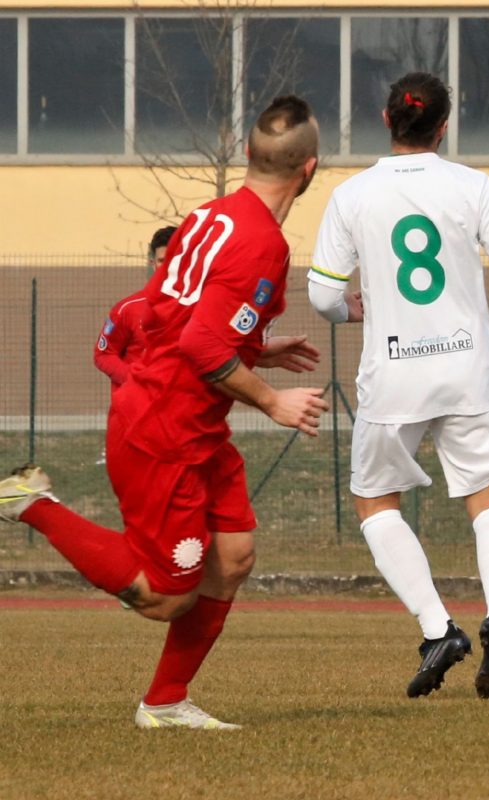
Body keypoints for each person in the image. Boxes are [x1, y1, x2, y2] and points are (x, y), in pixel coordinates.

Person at [0, 95, 329, 728]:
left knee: (232, 557)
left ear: (246, 156)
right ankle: (28, 502)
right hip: (165, 430)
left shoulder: (210, 214)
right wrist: (270, 400)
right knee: (164, 596)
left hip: (191, 420)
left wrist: (257, 348)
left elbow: (165, 314)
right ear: (309, 170)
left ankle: (166, 703)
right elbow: (201, 343)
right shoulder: (262, 243)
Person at [308, 72, 489, 700]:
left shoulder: (353, 195)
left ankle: (439, 629)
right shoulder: (473, 187)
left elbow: (323, 295)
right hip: (465, 374)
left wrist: (358, 311)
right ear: (443, 127)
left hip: (393, 375)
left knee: (376, 505)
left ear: (386, 120)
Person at [93, 225, 178, 465]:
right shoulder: (127, 309)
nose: (168, 266)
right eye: (162, 260)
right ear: (153, 263)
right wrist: (137, 380)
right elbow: (103, 354)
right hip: (133, 422)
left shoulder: (202, 308)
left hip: (181, 424)